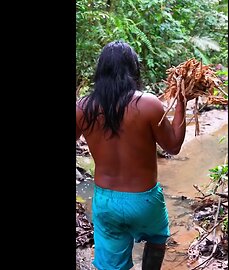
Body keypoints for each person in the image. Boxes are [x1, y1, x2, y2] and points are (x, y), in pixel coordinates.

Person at [76, 41, 193, 270]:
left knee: (111, 265)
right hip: (144, 200)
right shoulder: (148, 103)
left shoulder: (83, 108)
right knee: (157, 239)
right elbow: (174, 146)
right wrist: (181, 103)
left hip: (105, 201)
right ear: (133, 69)